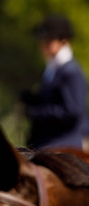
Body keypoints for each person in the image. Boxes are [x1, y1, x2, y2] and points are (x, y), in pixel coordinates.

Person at [21, 15, 88, 150]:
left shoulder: (71, 72)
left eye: (48, 40)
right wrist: (33, 99)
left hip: (64, 143)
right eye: (42, 41)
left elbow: (73, 111)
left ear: (63, 40)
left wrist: (37, 113)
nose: (43, 45)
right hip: (46, 141)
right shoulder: (51, 69)